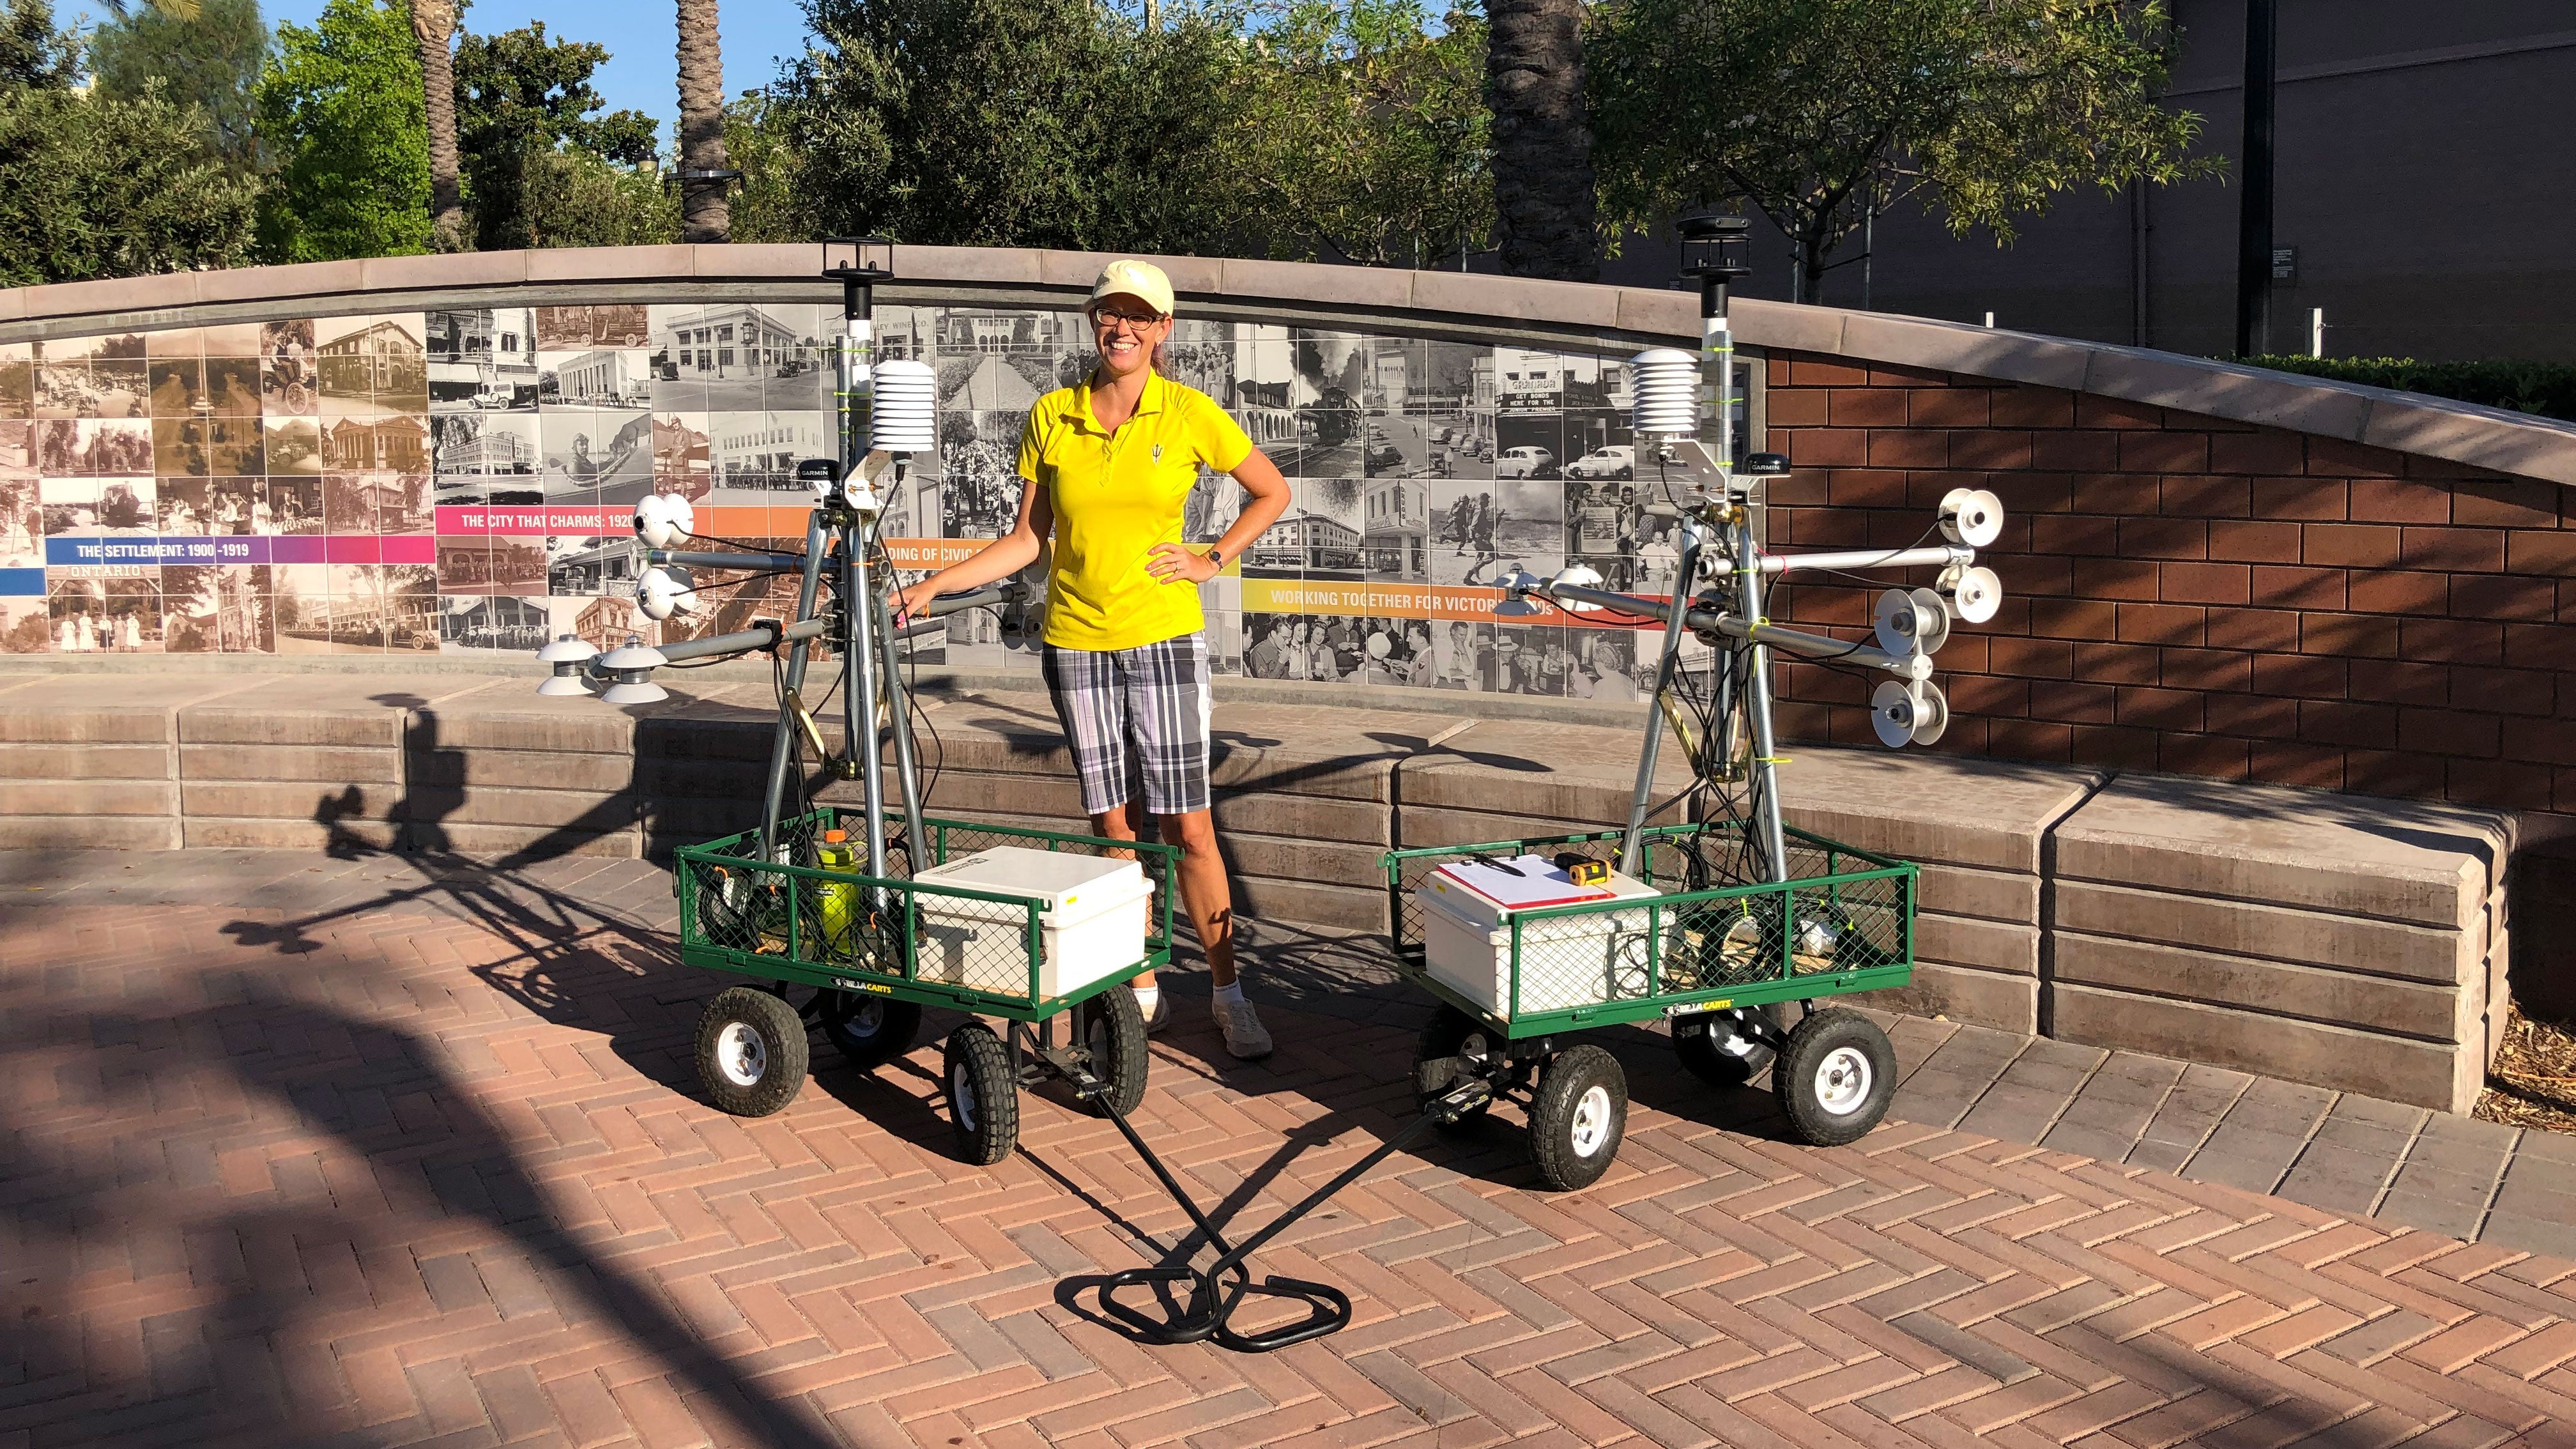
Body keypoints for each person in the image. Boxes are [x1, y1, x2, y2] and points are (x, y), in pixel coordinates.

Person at [894, 261, 1294, 1059]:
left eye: (1138, 317)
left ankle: (1227, 989)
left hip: (1164, 641)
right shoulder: (1054, 414)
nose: (1122, 328)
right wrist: (934, 585)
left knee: (1188, 827)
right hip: (1075, 646)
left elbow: (1271, 491)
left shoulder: (1188, 414)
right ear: (1092, 321)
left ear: (1163, 330)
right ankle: (1140, 987)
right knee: (1113, 824)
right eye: (1110, 313)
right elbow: (1027, 542)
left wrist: (1212, 559)